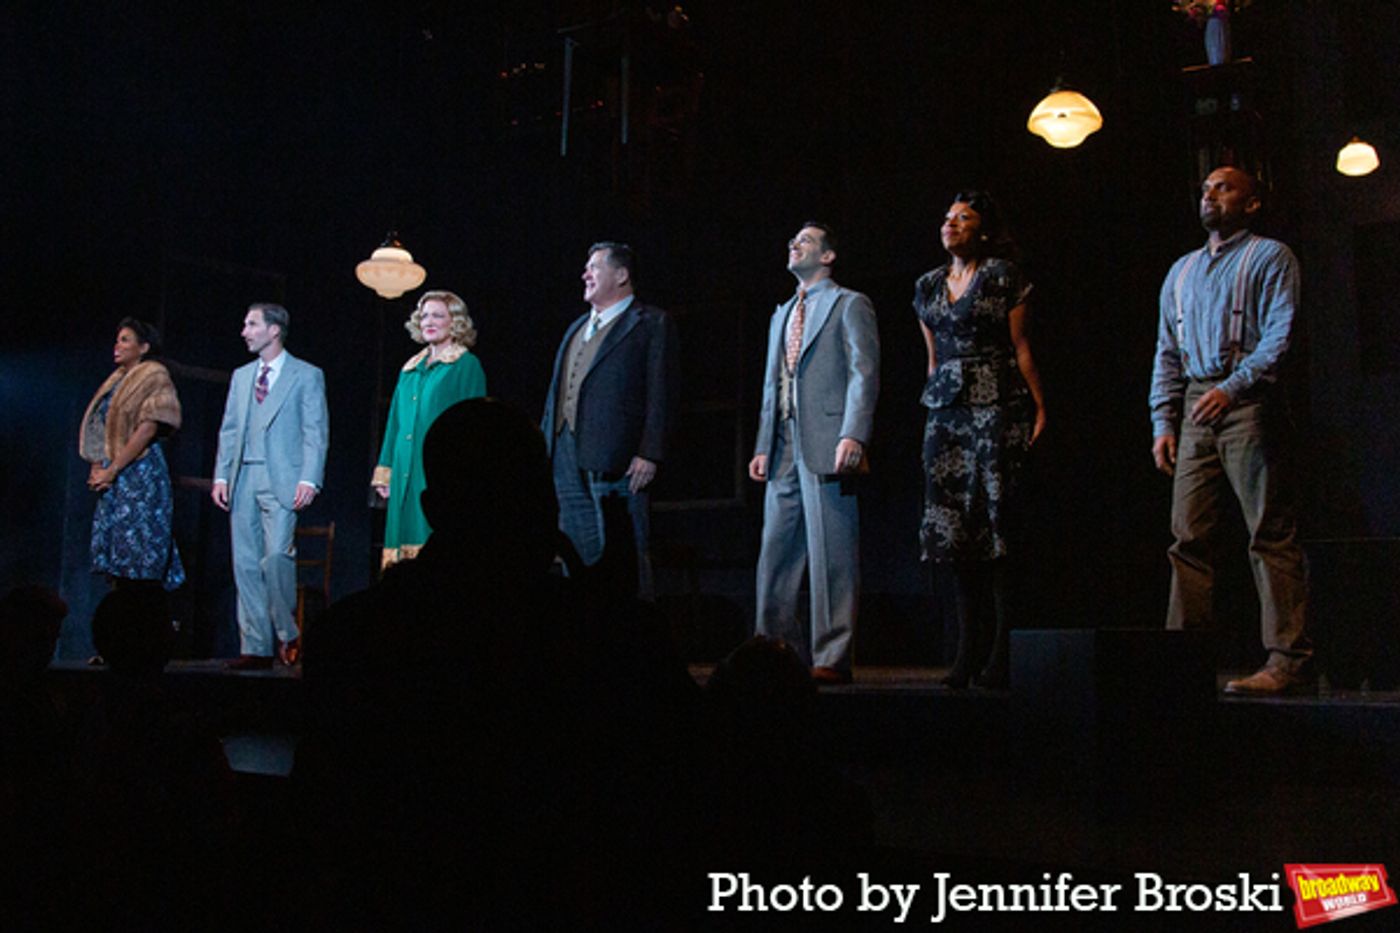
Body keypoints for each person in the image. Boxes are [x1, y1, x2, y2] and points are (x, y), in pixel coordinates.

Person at [1150, 165, 1312, 695]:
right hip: (1197, 399)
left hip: (1247, 398)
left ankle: (1287, 659)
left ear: (1251, 202)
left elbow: (1278, 338)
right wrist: (1163, 420)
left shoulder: (1269, 256)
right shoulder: (1180, 271)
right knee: (1187, 536)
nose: (1210, 194)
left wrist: (1233, 388)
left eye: (1224, 187)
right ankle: (1182, 659)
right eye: (1205, 188)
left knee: (1268, 530)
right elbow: (1167, 353)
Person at [915, 192, 1046, 689]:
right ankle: (966, 650)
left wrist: (1038, 405)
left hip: (996, 403)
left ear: (983, 230)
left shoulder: (1002, 276)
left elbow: (1020, 346)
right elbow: (933, 358)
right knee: (953, 533)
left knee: (995, 526)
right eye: (947, 217)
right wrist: (933, 408)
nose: (951, 224)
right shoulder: (926, 285)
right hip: (945, 411)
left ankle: (1002, 651)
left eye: (963, 218)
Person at [750, 222, 879, 685]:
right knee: (775, 550)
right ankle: (774, 651)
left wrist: (854, 433)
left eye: (804, 241)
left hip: (827, 438)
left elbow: (864, 371)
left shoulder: (849, 304)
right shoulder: (781, 313)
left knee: (832, 551)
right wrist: (763, 444)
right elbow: (772, 383)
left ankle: (833, 654)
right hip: (784, 440)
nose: (793, 245)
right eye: (791, 241)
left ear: (827, 257)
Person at [540, 241, 678, 599]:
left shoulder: (650, 322)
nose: (585, 274)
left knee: (626, 550)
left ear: (621, 275)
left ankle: (634, 636)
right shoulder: (575, 328)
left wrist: (650, 451)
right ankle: (584, 632)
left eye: (595, 267)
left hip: (619, 456)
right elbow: (557, 393)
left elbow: (661, 391)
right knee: (576, 547)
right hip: (567, 450)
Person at [211, 303, 329, 669]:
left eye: (252, 324)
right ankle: (256, 647)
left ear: (274, 330)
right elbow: (230, 429)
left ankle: (287, 630)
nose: (245, 331)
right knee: (245, 563)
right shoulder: (243, 375)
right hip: (243, 474)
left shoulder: (306, 375)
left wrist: (310, 477)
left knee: (277, 555)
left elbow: (315, 431)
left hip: (283, 477)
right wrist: (220, 474)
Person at [371, 289, 487, 567]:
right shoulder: (410, 369)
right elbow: (395, 424)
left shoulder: (465, 364)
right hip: (403, 468)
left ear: (455, 322)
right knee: (401, 544)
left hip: (439, 469)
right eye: (424, 316)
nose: (429, 321)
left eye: (438, 315)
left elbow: (477, 423)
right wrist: (385, 471)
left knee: (433, 534)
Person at [79, 318, 185, 593]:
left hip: (139, 472)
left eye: (125, 339)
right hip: (113, 473)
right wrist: (96, 467)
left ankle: (140, 615)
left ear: (144, 347)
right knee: (114, 551)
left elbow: (148, 426)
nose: (117, 345)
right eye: (117, 339)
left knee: (138, 551)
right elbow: (99, 426)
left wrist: (113, 469)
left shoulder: (154, 375)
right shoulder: (115, 380)